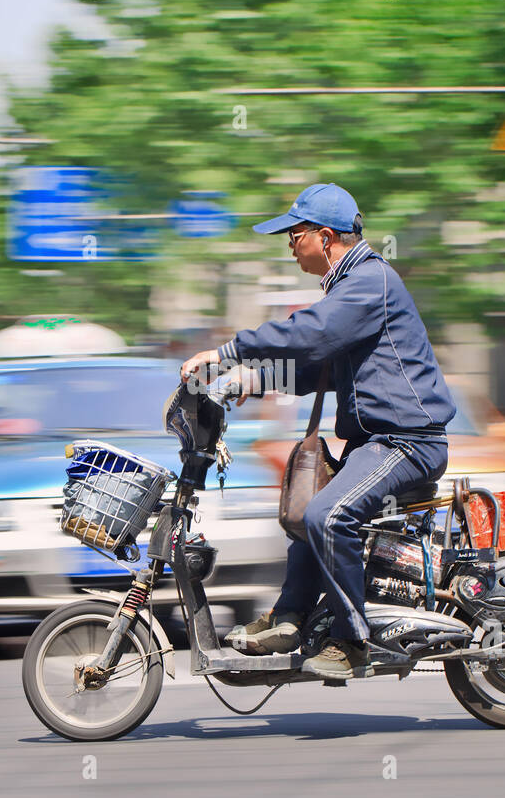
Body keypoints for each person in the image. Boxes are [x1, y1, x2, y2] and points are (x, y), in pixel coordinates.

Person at [179, 184, 456, 679]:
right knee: (308, 511)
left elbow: (311, 333)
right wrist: (254, 379)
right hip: (376, 444)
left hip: (408, 443)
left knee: (328, 514)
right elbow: (316, 368)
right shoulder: (349, 287)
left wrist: (228, 353)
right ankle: (290, 618)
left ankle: (351, 641)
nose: (290, 244)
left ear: (325, 237)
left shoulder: (372, 281)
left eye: (295, 233)